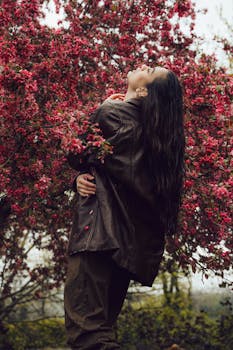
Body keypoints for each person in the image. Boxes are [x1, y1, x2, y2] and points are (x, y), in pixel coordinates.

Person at [64, 64, 185, 349]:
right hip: (125, 250)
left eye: (151, 69)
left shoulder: (111, 114)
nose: (144, 64)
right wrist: (80, 178)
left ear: (143, 91)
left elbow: (75, 150)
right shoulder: (157, 139)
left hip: (97, 237)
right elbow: (110, 173)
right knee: (102, 329)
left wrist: (103, 106)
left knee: (88, 334)